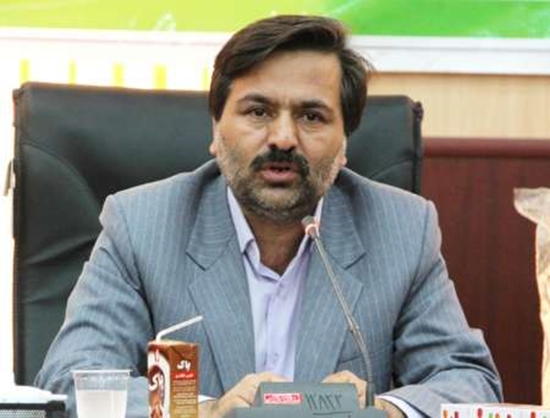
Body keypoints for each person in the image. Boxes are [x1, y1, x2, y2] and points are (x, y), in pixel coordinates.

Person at [35, 14, 502, 418]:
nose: (282, 138)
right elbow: (74, 378)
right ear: (216, 130)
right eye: (258, 112)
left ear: (344, 145)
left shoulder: (402, 229)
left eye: (312, 116)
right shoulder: (140, 224)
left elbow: (468, 381)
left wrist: (383, 411)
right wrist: (205, 412)